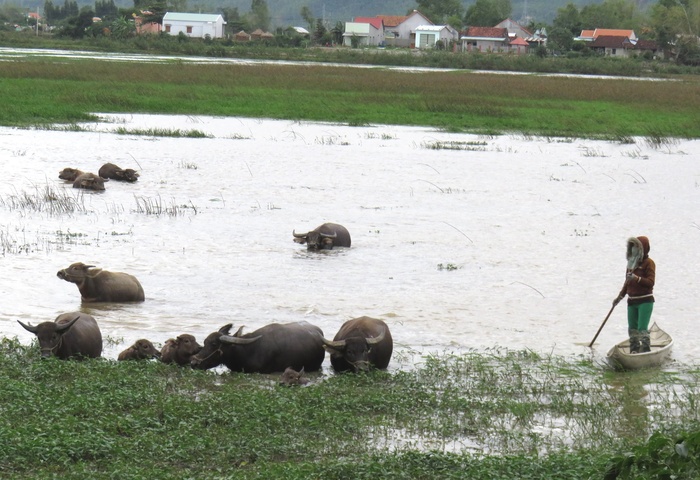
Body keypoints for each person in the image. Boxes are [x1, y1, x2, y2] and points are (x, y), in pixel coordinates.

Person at [613, 236, 656, 353]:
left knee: (642, 329)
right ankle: (634, 351)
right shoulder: (631, 264)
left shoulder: (649, 263)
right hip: (632, 302)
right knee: (632, 330)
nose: (634, 249)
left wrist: (636, 278)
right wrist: (619, 297)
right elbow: (627, 284)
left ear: (643, 248)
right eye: (633, 246)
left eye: (637, 246)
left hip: (645, 301)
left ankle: (646, 352)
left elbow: (650, 283)